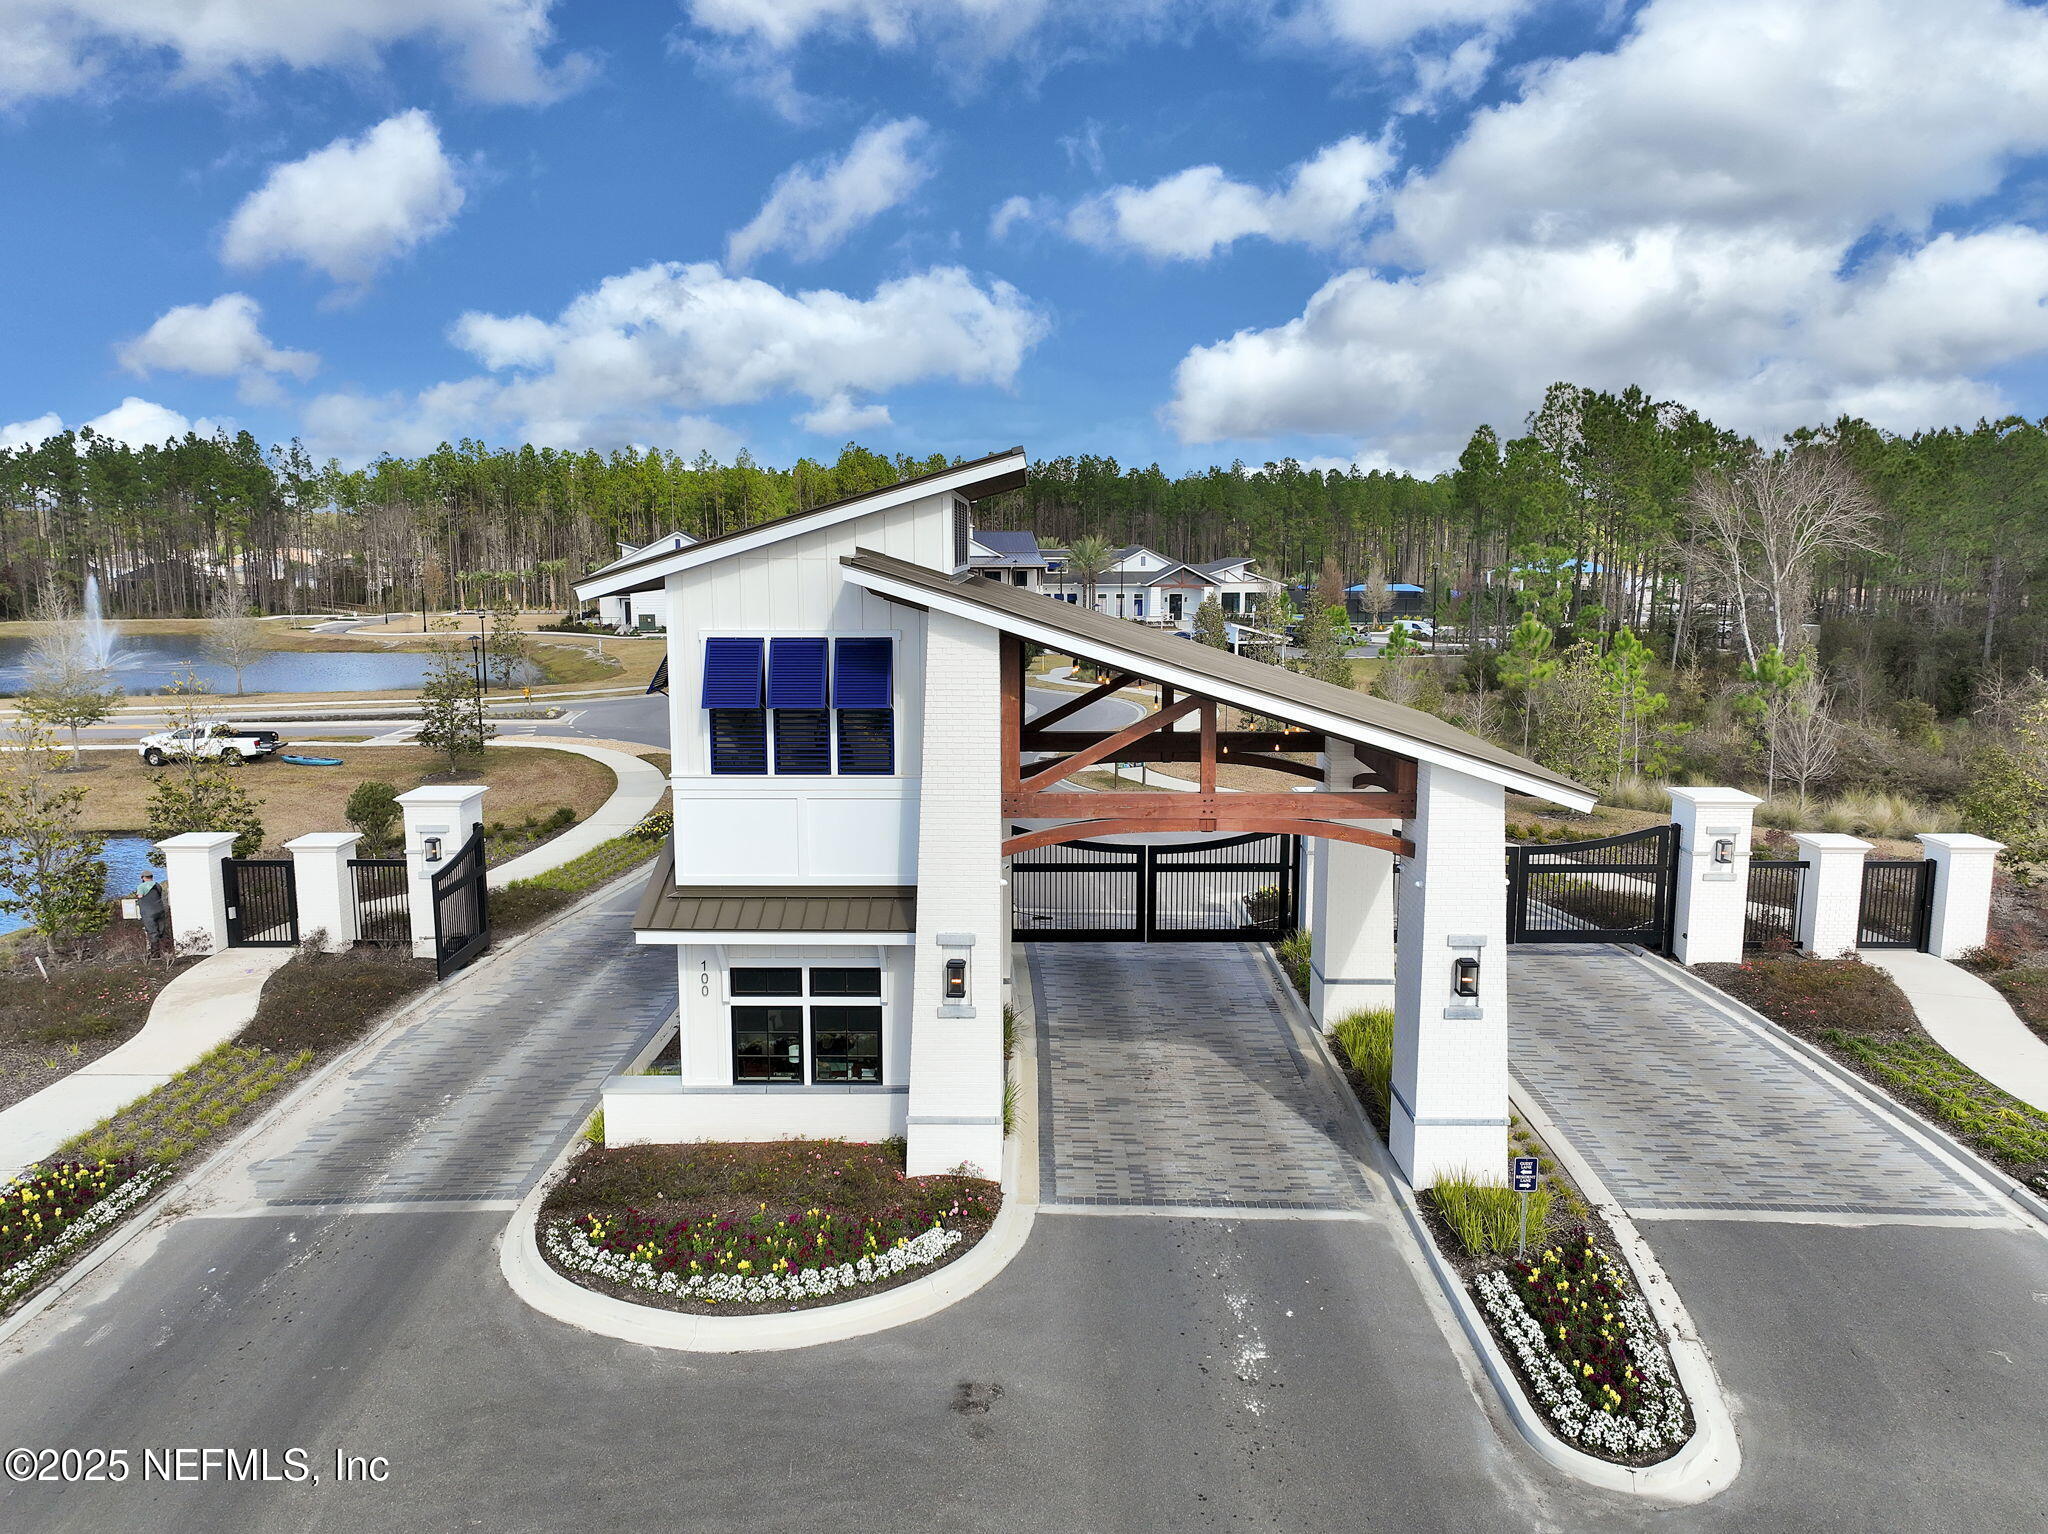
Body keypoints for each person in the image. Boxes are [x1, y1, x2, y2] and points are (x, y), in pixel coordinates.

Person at [135, 869, 169, 957]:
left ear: (143, 878)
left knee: (153, 932)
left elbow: (140, 896)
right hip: (160, 910)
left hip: (148, 913)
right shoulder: (158, 885)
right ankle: (166, 950)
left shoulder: (141, 886)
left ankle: (155, 954)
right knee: (161, 931)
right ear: (151, 877)